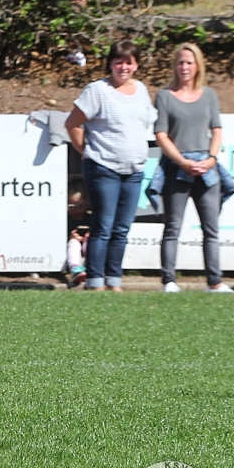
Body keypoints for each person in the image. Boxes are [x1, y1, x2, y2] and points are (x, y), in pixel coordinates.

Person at [65, 40, 157, 291]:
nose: (123, 67)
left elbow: (146, 122)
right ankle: (95, 280)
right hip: (103, 168)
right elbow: (72, 124)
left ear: (136, 65)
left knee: (122, 228)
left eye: (129, 62)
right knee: (103, 226)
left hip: (134, 170)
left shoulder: (141, 90)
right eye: (118, 62)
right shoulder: (97, 91)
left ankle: (114, 280)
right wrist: (86, 152)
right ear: (110, 64)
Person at [152, 43, 234, 293]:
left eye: (189, 62)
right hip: (177, 169)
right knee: (172, 227)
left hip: (206, 169)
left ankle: (214, 281)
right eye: (180, 62)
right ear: (174, 66)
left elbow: (216, 130)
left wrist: (211, 159)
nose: (184, 67)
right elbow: (161, 134)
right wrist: (182, 162)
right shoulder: (165, 96)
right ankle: (169, 281)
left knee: (211, 228)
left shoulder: (209, 95)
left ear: (198, 65)